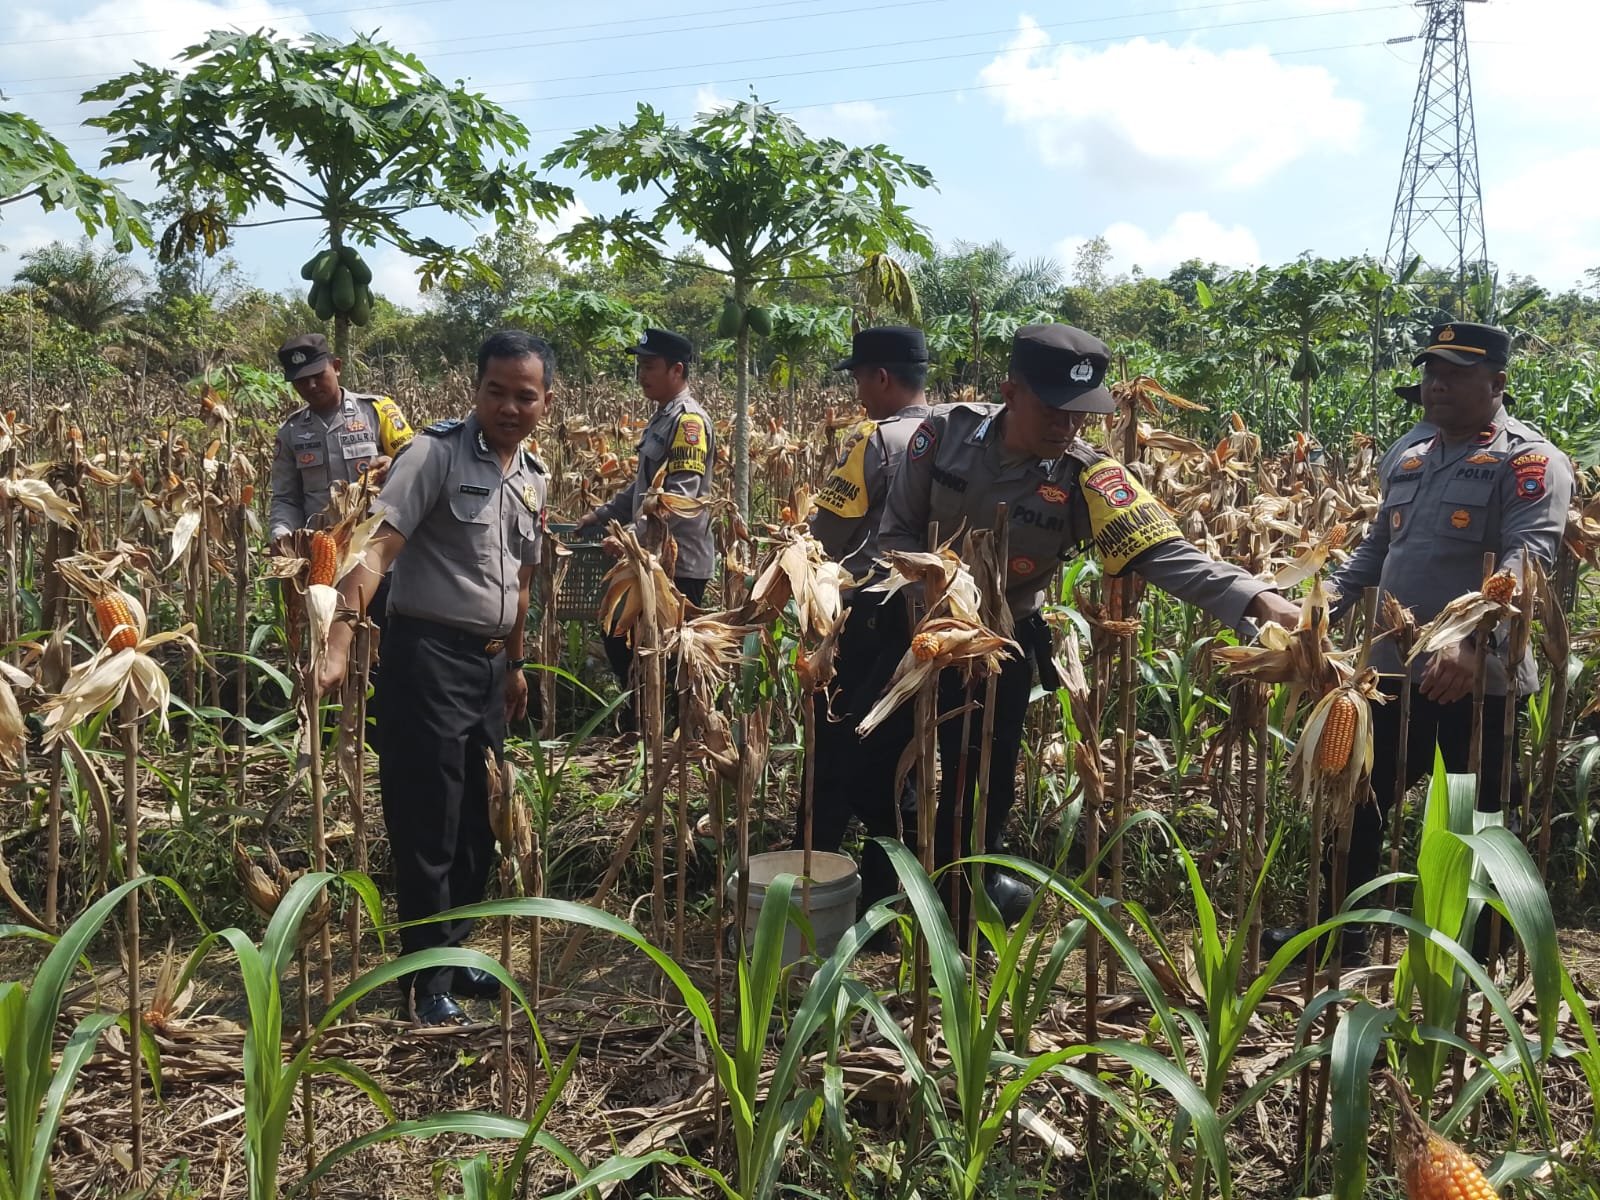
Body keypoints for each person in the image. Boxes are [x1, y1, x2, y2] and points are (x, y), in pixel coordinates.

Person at [876, 323, 1300, 929]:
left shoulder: (1087, 475)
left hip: (997, 647)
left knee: (981, 782)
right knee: (880, 768)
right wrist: (934, 603)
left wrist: (1258, 599)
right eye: (1053, 408)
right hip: (911, 631)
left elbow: (1163, 553)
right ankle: (883, 892)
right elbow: (895, 535)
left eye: (1080, 412)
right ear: (1011, 392)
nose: (1067, 424)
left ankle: (961, 900)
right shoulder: (944, 434)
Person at [1267, 321, 1572, 964]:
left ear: (1498, 382)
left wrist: (1472, 642)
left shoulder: (1529, 460)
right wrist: (1320, 609)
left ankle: (1480, 953)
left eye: (1456, 374)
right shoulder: (1408, 451)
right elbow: (1380, 547)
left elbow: (1529, 559)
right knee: (1357, 797)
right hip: (1390, 669)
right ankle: (1340, 934)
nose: (1437, 385)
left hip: (1477, 678)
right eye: (1432, 371)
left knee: (1481, 817)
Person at [316, 330, 551, 1025]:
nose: (509, 407)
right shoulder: (434, 453)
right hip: (427, 660)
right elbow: (376, 550)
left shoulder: (534, 476)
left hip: (488, 666)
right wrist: (337, 640)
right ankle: (424, 982)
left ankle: (455, 954)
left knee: (482, 818)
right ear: (476, 390)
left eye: (525, 396)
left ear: (546, 401)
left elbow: (522, 582)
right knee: (430, 820)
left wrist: (514, 664)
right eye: (496, 392)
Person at [793, 326, 933, 912]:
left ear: (880, 377)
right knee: (904, 755)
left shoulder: (875, 441)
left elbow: (827, 532)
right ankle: (890, 886)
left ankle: (811, 875)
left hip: (872, 613)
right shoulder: (954, 434)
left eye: (858, 379)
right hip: (938, 623)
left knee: (835, 747)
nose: (857, 393)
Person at [576, 329, 716, 694]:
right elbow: (644, 489)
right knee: (622, 639)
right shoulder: (662, 417)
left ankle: (663, 723)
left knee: (662, 658)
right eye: (640, 366)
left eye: (650, 366)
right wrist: (603, 514)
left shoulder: (688, 422)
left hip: (677, 563)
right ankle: (639, 718)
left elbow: (677, 497)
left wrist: (630, 536)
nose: (642, 375)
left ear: (677, 370)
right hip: (648, 556)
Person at [268, 333, 413, 544]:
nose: (311, 385)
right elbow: (286, 499)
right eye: (301, 381)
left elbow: (417, 470)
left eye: (318, 375)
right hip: (322, 549)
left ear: (336, 367)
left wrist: (395, 465)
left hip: (379, 544)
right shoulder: (290, 431)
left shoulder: (379, 411)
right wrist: (281, 536)